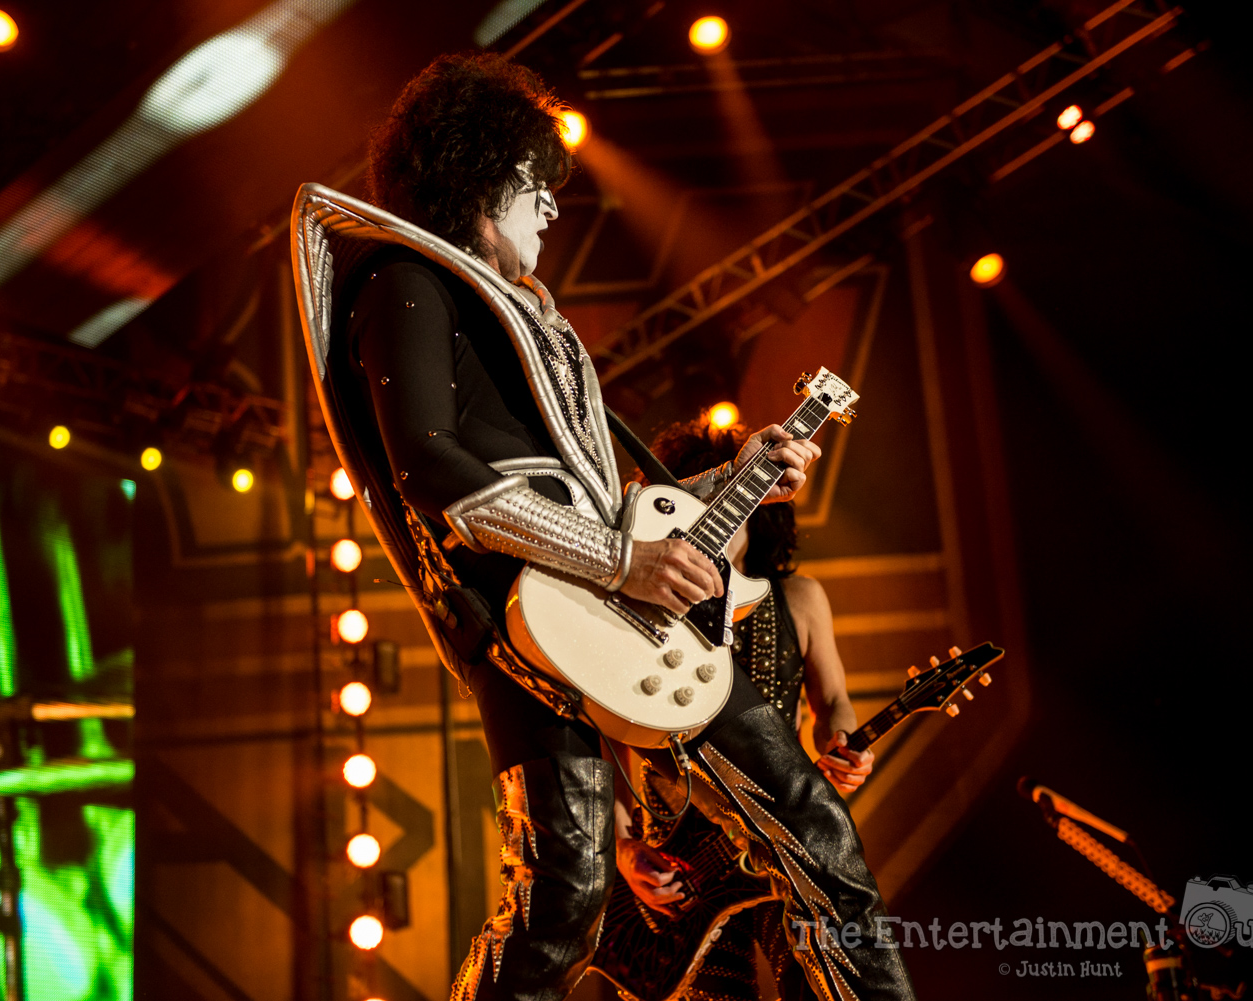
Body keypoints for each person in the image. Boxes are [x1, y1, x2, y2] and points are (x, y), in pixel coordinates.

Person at [304, 52, 915, 1001]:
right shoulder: (402, 278)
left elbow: (604, 501)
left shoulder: (527, 316)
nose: (553, 204)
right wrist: (623, 559)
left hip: (610, 611)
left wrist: (738, 474)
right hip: (520, 626)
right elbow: (429, 468)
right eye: (533, 180)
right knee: (563, 903)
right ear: (477, 173)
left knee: (816, 829)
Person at [613, 419, 879, 1001]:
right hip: (679, 867)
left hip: (784, 840)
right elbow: (600, 739)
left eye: (739, 508)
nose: (724, 524)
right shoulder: (634, 614)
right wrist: (624, 848)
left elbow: (834, 701)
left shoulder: (800, 598)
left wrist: (846, 744)